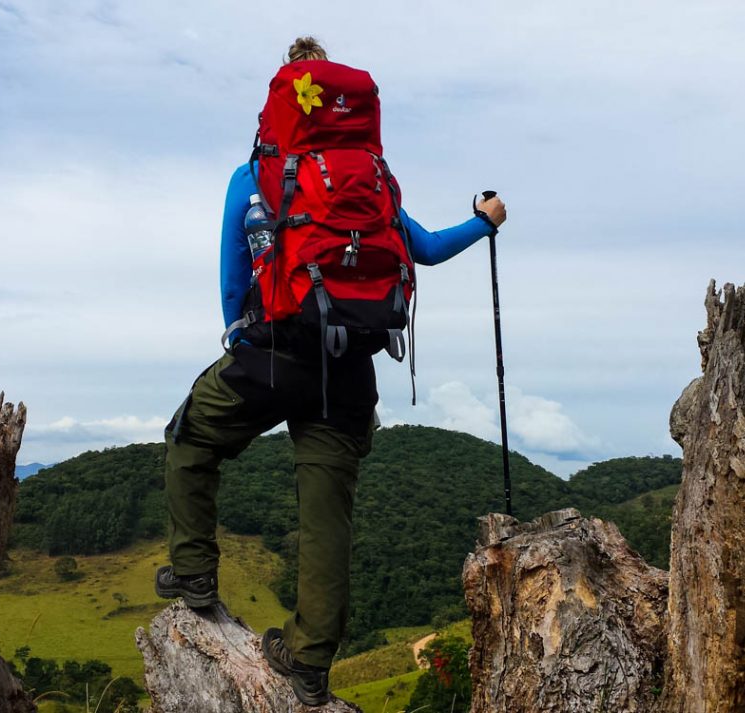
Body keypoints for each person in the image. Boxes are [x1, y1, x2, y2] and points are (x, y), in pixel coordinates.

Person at [156, 36, 507, 706]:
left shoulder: (254, 174)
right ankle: (310, 659)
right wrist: (484, 223)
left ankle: (194, 573)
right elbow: (427, 249)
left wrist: (240, 334)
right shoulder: (369, 178)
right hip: (351, 365)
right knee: (326, 513)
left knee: (190, 438)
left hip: (272, 352)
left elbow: (233, 275)